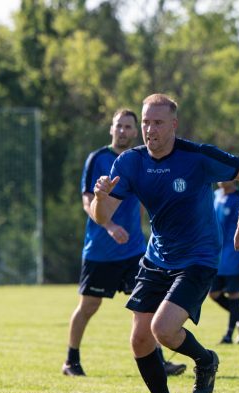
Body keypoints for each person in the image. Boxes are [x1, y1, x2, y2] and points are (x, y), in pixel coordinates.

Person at [91, 93, 239, 393]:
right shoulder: (130, 162)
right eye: (147, 122)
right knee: (139, 339)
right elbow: (100, 215)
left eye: (158, 122)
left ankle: (205, 360)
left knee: (163, 329)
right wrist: (100, 197)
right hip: (157, 257)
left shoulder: (197, 157)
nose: (150, 129)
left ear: (174, 125)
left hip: (198, 256)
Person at [63, 109, 186, 377]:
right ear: (111, 129)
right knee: (89, 306)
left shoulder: (141, 159)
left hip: (133, 250)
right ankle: (71, 360)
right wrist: (108, 225)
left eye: (128, 126)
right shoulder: (97, 158)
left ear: (134, 131)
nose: (123, 131)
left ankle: (158, 360)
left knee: (148, 305)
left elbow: (145, 200)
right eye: (119, 125)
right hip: (100, 250)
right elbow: (87, 201)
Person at [209, 180, 239, 344]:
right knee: (213, 293)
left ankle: (228, 334)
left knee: (233, 293)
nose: (220, 179)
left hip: (235, 254)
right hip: (216, 255)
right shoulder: (215, 196)